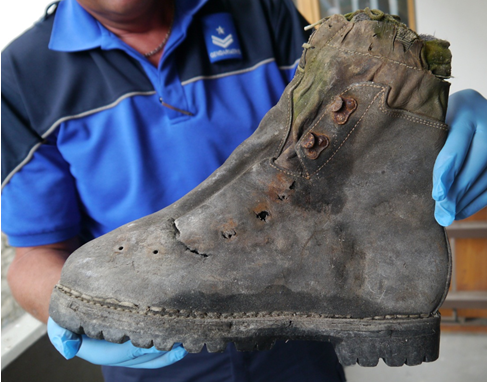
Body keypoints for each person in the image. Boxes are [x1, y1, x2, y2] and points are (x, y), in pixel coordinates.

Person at [1, 0, 486, 381]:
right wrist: (67, 305)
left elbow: (347, 134)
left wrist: (423, 121)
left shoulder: (259, 11)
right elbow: (33, 250)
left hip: (296, 322)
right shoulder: (21, 74)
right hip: (150, 342)